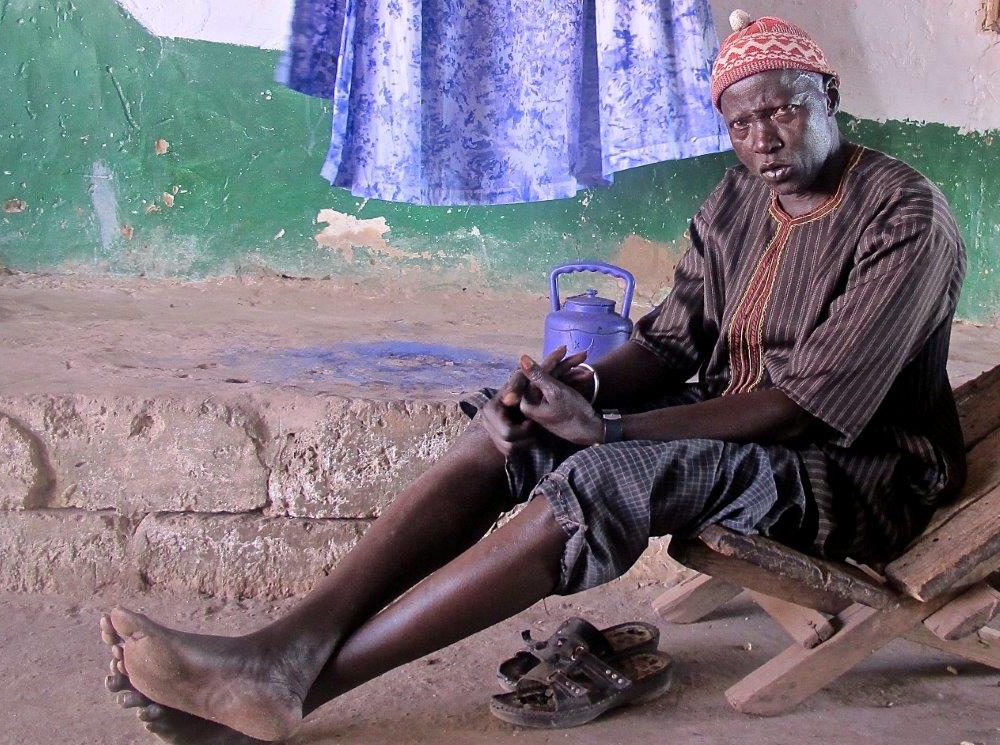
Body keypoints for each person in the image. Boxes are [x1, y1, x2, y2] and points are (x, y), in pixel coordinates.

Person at [99, 11, 966, 743]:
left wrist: (614, 432)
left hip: (856, 473)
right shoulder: (740, 199)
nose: (764, 139)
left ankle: (300, 688)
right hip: (739, 425)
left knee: (604, 473)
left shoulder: (904, 216)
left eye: (784, 111)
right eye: (741, 124)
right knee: (504, 431)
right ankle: (279, 653)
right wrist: (575, 396)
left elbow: (802, 405)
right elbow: (669, 343)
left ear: (831, 100)